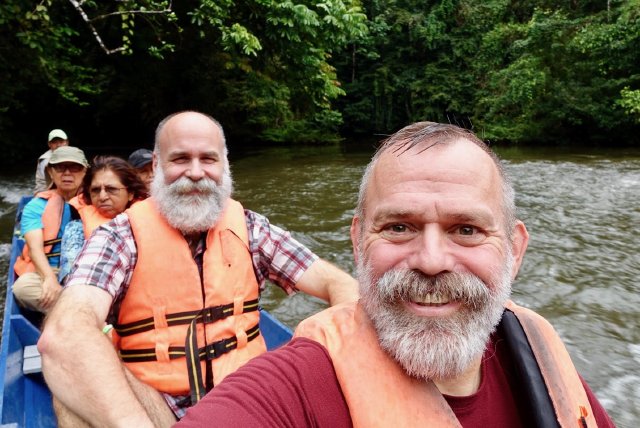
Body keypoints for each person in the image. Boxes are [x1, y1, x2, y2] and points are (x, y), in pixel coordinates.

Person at [176, 122, 615, 427]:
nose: (430, 260)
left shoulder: (544, 361)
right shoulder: (291, 391)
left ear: (515, 251)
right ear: (357, 239)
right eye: (399, 227)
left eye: (466, 229)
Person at [38, 111, 359, 427]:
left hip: (251, 402)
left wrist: (340, 351)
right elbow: (66, 330)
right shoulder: (120, 237)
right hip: (159, 410)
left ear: (225, 166)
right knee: (70, 385)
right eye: (180, 159)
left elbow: (336, 282)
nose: (195, 172)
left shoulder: (250, 229)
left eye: (208, 159)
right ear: (156, 166)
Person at [13, 146, 88, 313]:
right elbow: (35, 249)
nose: (67, 173)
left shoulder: (95, 200)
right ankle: (80, 313)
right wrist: (49, 279)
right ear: (51, 172)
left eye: (75, 167)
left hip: (86, 270)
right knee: (22, 288)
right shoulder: (35, 206)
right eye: (60, 167)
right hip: (50, 269)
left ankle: (68, 310)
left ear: (85, 172)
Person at [58, 155, 148, 282]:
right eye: (95, 190)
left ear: (130, 193)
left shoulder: (148, 223)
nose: (102, 196)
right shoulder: (76, 228)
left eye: (111, 189)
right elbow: (69, 276)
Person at [34, 129, 70, 194]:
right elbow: (41, 184)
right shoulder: (44, 160)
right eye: (54, 142)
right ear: (49, 144)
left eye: (61, 142)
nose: (58, 145)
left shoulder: (76, 155)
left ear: (67, 143)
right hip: (50, 191)